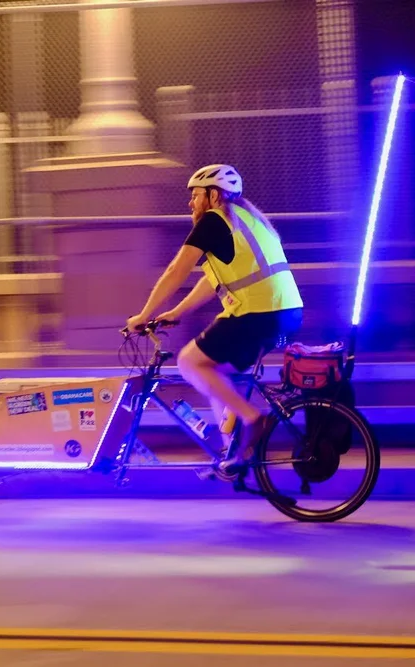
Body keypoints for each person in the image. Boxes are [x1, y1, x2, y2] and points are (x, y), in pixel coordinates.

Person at [126, 164, 304, 473]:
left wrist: (144, 314)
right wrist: (175, 313)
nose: (191, 203)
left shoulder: (214, 220)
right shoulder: (248, 219)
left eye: (195, 195)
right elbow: (211, 282)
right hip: (285, 312)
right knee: (217, 374)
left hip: (256, 313)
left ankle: (252, 418)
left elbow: (174, 272)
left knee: (190, 362)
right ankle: (231, 454)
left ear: (213, 195)